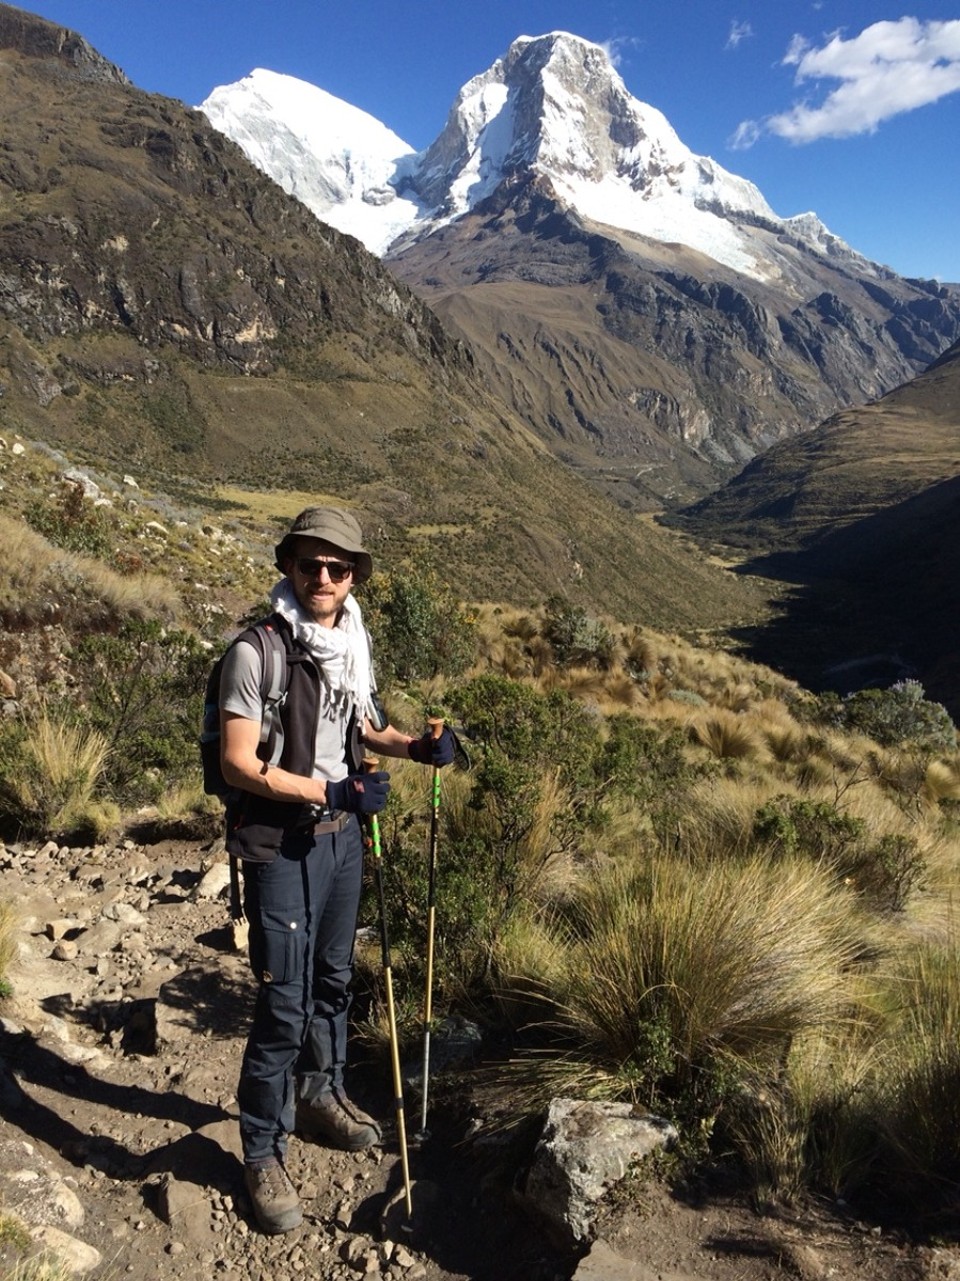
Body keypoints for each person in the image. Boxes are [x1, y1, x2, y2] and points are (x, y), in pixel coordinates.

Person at [218, 505, 456, 1235]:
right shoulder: (257, 651)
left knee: (333, 980)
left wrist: (416, 747)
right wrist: (330, 790)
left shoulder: (351, 641)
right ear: (289, 566)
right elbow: (237, 760)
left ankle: (320, 1096)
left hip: (342, 839)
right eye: (310, 564)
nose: (323, 577)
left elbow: (362, 723)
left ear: (355, 577)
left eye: (338, 566)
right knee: (284, 1001)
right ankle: (262, 1148)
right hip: (281, 842)